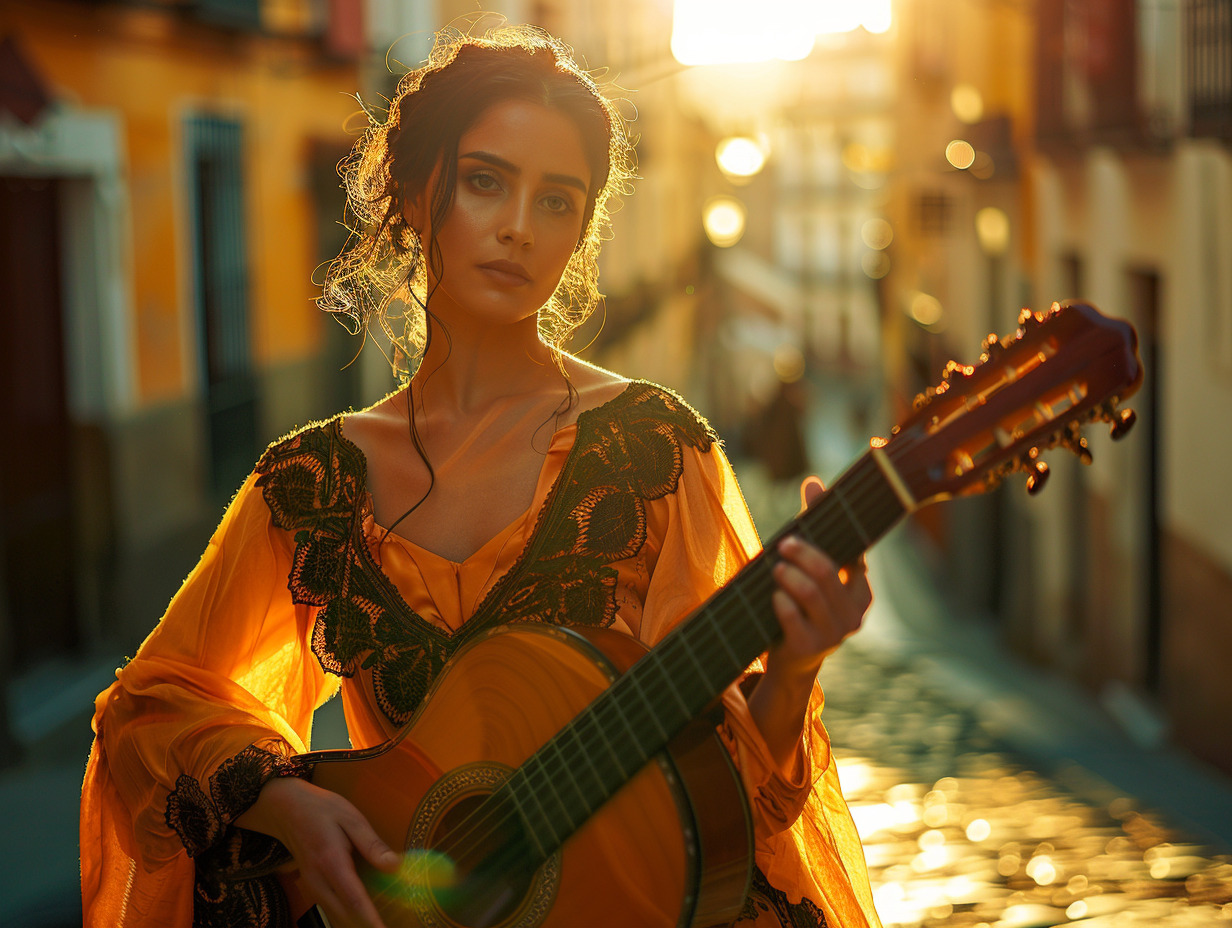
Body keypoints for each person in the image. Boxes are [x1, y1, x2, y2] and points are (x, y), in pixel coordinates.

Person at [80, 23, 882, 928]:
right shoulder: (309, 485)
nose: (517, 227)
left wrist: (796, 667)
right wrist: (285, 801)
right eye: (487, 181)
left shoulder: (655, 453)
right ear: (420, 194)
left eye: (557, 201)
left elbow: (736, 792)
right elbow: (151, 706)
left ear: (581, 230)